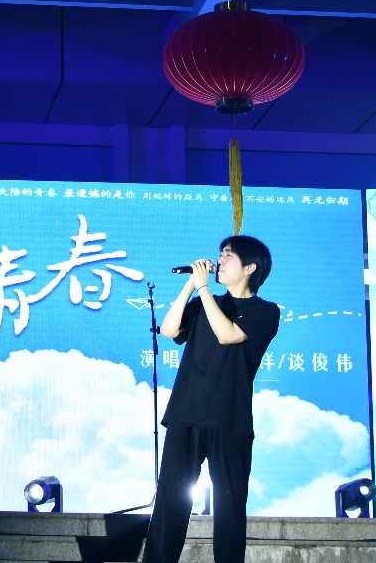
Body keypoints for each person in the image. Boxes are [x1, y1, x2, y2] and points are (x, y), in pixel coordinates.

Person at [143, 235, 281, 563]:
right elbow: (169, 330)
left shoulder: (265, 311)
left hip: (229, 418)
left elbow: (227, 334)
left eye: (228, 256)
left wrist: (204, 289)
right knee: (170, 500)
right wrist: (192, 285)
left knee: (229, 505)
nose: (219, 260)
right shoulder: (206, 300)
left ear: (250, 267)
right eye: (219, 254)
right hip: (187, 412)